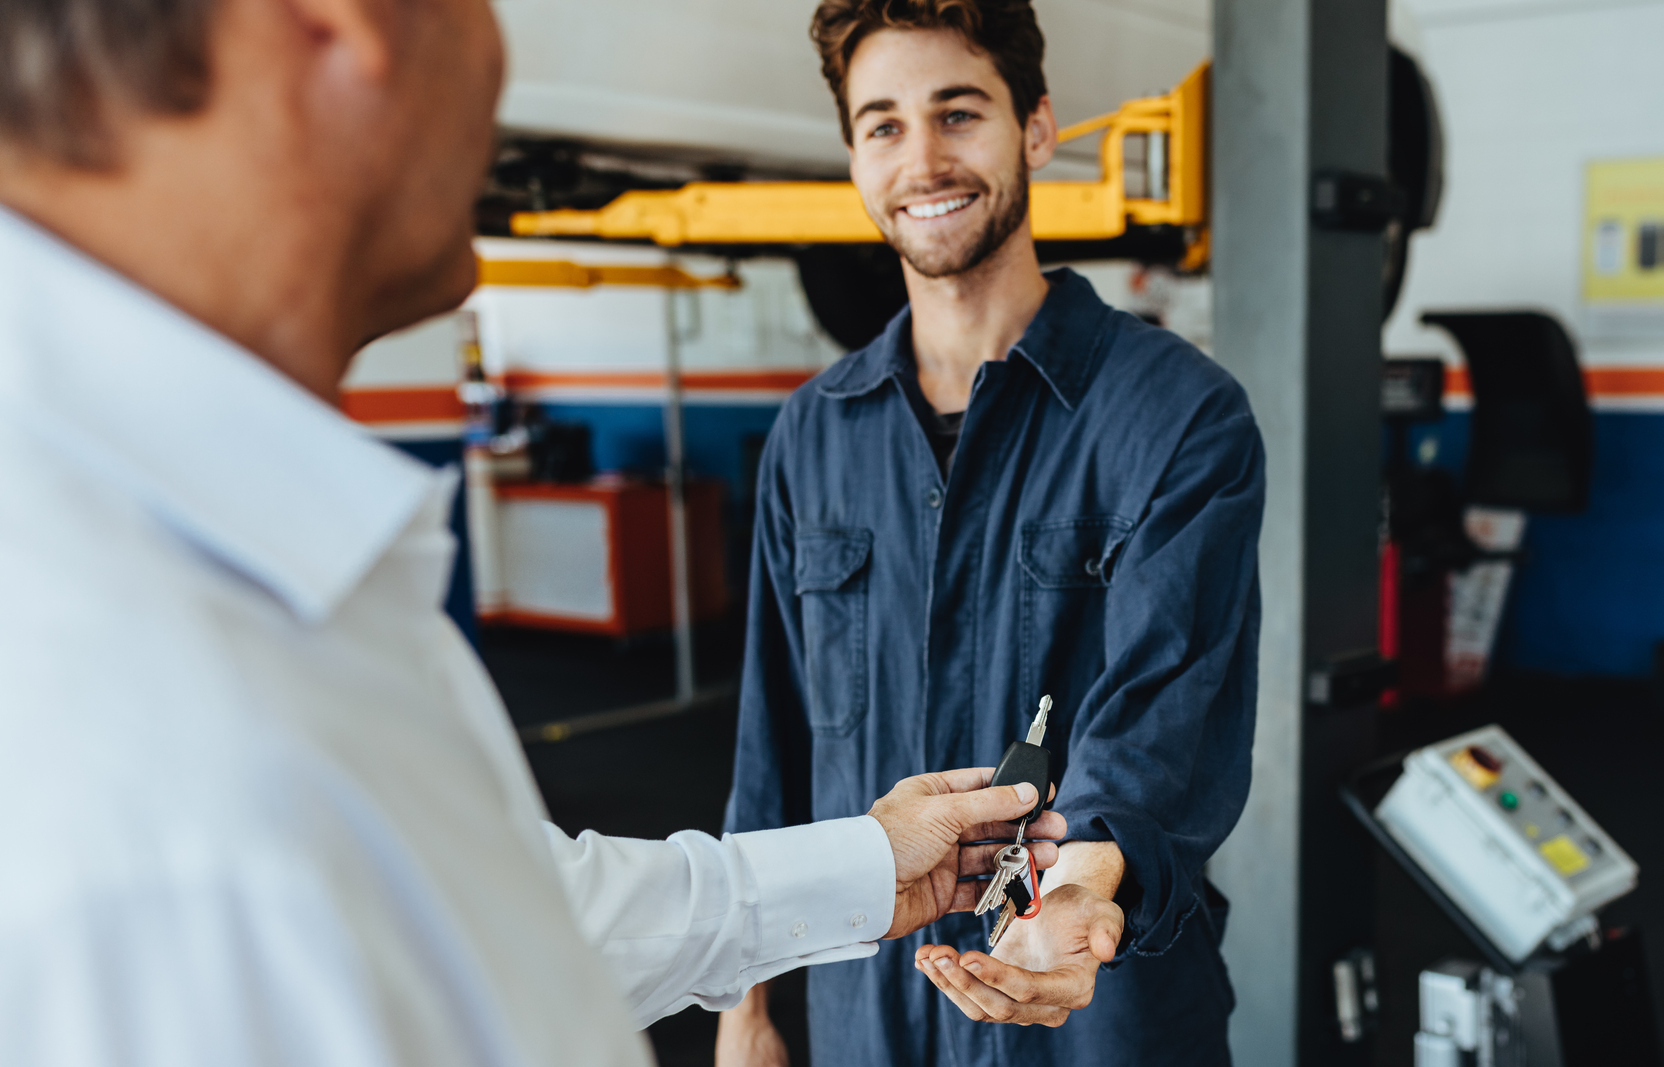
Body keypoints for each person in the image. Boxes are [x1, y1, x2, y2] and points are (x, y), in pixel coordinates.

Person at [0, 0, 1067, 1063]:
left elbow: (499, 912)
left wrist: (865, 864)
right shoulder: (142, 758)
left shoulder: (202, 586)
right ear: (342, 20)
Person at [719, 1, 1265, 1064]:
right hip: (868, 1009)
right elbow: (770, 746)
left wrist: (1081, 884)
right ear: (854, 157)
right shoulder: (812, 433)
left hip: (1088, 1005)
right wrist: (747, 1005)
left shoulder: (1178, 414)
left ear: (1037, 129)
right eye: (883, 125)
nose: (922, 160)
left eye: (958, 113)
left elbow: (1165, 715)